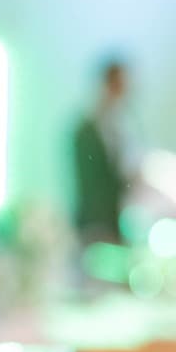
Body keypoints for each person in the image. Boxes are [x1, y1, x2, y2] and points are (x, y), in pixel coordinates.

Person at [71, 59, 134, 244]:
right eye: (119, 85)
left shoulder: (122, 126)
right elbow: (88, 185)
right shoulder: (86, 131)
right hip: (96, 224)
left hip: (119, 220)